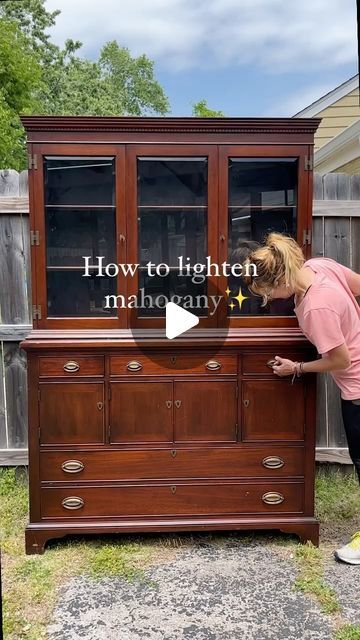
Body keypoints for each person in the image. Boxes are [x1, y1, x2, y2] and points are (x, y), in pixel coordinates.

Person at [243, 231, 360, 565]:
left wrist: (297, 367)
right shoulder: (320, 267)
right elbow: (358, 286)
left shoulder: (316, 307)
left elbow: (341, 360)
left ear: (280, 277)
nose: (269, 299)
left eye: (268, 292)